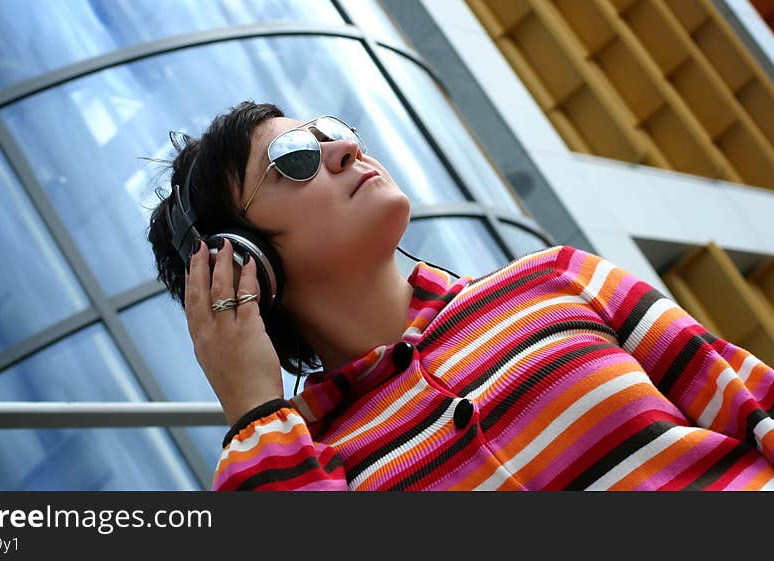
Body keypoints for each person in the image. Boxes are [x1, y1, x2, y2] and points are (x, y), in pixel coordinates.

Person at [147, 101, 774, 491]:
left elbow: (759, 408)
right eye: (293, 157)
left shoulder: (559, 278)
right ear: (235, 259)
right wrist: (254, 411)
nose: (345, 148)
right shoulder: (303, 459)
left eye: (332, 131)